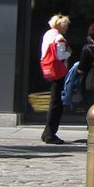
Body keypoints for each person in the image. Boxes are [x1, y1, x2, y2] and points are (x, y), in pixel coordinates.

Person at [40, 14, 71, 145]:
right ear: (60, 25)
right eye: (66, 25)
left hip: (47, 69)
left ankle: (47, 132)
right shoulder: (59, 38)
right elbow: (60, 56)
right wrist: (69, 52)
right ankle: (50, 133)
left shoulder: (48, 34)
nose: (67, 27)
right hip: (57, 72)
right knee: (56, 103)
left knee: (53, 102)